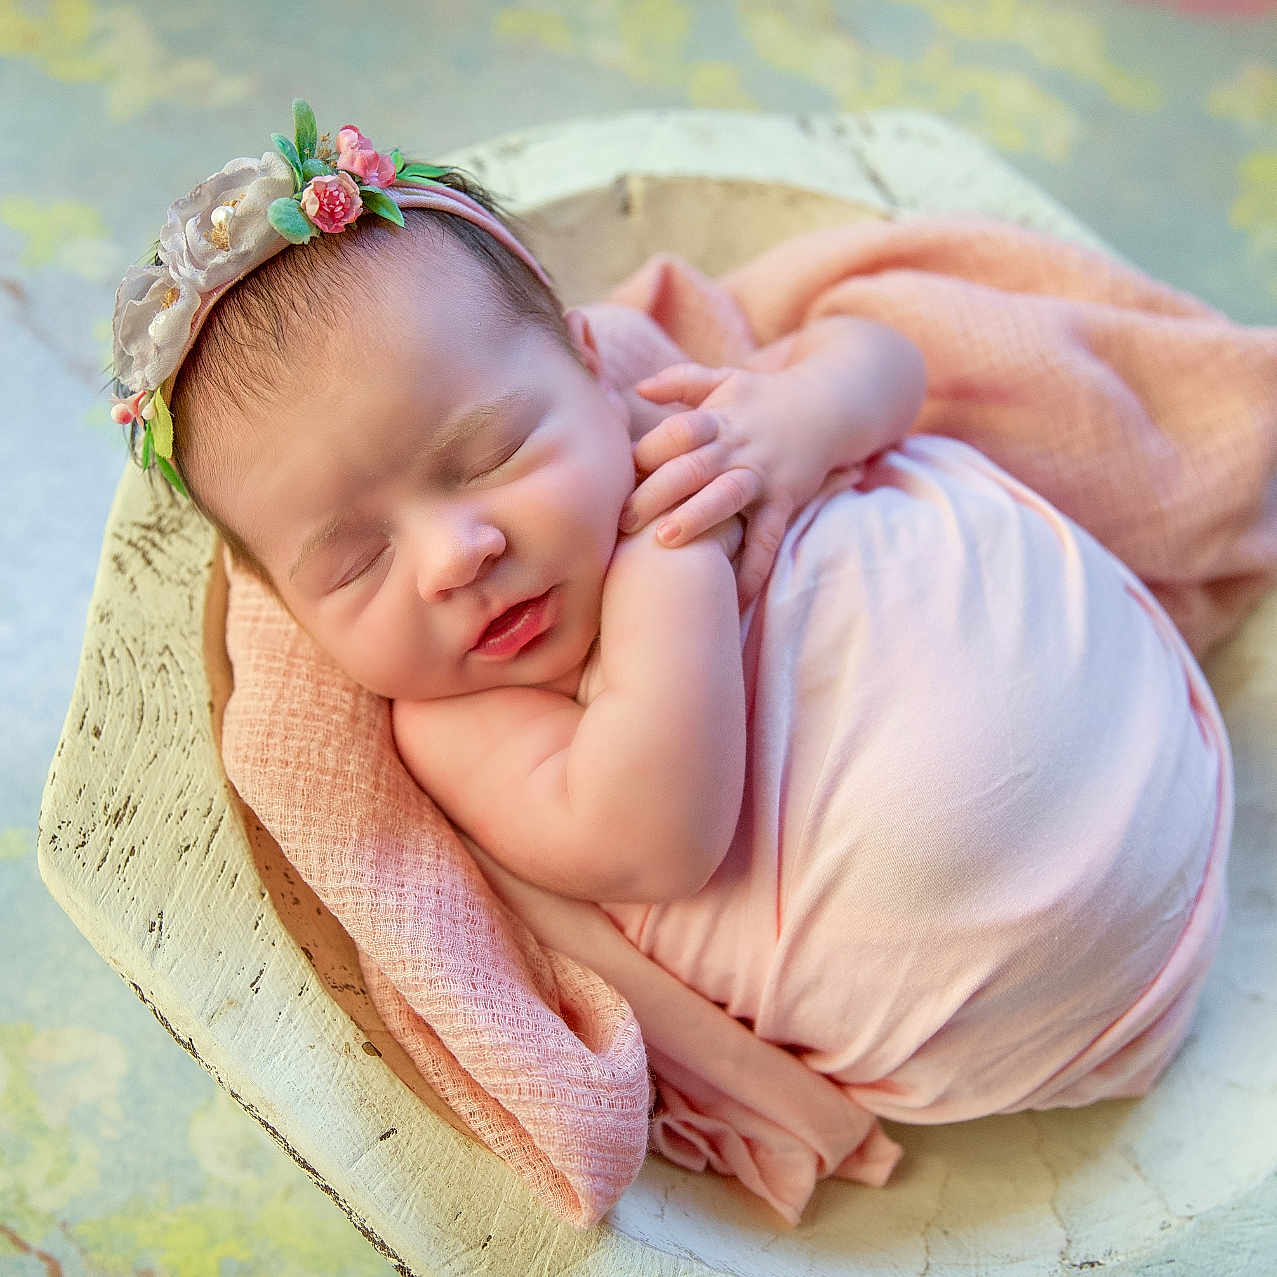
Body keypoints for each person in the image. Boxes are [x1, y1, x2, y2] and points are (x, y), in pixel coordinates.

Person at [112, 102, 1230, 1123]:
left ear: (594, 368)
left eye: (488, 453)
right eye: (355, 564)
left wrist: (803, 412)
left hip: (1158, 755)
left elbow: (890, 360)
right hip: (1024, 1014)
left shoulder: (680, 415)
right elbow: (650, 839)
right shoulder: (456, 722)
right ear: (292, 613)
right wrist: (669, 565)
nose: (457, 555)